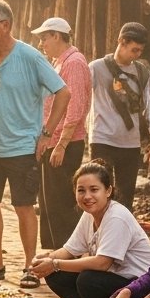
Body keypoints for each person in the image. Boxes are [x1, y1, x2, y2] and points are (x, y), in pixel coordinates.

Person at [0, 0, 69, 288]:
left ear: (6, 25)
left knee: (24, 206)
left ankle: (29, 266)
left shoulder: (30, 57)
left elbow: (63, 93)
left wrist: (47, 134)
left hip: (23, 146)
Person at [29, 160, 150, 298]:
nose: (87, 196)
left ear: (108, 191)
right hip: (116, 283)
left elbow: (103, 263)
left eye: (94, 190)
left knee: (88, 279)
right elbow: (69, 250)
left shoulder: (117, 217)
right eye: (81, 190)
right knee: (56, 275)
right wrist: (44, 259)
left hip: (138, 287)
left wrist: (55, 263)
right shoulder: (89, 215)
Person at [89, 22, 150, 212]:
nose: (136, 55)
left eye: (140, 51)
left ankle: (120, 238)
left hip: (130, 143)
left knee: (125, 198)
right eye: (134, 50)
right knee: (99, 195)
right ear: (121, 41)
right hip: (101, 139)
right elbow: (79, 99)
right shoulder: (96, 68)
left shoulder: (142, 72)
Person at [32, 16, 88, 251]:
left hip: (65, 143)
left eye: (45, 38)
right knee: (48, 203)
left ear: (57, 36)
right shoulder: (58, 62)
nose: (42, 43)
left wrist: (62, 144)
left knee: (61, 203)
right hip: (52, 140)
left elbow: (75, 107)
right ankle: (53, 252)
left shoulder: (74, 62)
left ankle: (65, 254)